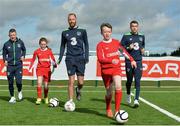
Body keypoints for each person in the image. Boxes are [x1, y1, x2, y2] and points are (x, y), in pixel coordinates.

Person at [96, 23, 136, 118]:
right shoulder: (100, 45)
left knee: (118, 86)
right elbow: (100, 59)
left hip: (116, 69)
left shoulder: (116, 42)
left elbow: (124, 52)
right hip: (106, 71)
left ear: (111, 32)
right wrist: (111, 60)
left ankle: (117, 111)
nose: (107, 34)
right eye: (105, 32)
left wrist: (132, 60)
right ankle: (108, 108)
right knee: (109, 92)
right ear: (101, 32)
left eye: (109, 32)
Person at [57, 13, 89, 104]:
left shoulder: (82, 31)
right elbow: (62, 46)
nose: (71, 21)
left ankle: (78, 89)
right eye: (70, 19)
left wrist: (86, 56)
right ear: (68, 21)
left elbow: (86, 44)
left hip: (80, 58)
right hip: (70, 58)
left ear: (76, 20)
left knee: (81, 82)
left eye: (73, 19)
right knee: (71, 80)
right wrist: (59, 58)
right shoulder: (64, 33)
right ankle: (70, 101)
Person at [121, 20, 145, 107]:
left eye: (136, 26)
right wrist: (128, 47)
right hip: (129, 61)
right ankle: (128, 94)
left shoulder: (142, 36)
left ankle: (136, 100)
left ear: (138, 27)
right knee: (129, 81)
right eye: (133, 26)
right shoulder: (126, 36)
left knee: (137, 81)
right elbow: (120, 48)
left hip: (138, 61)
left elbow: (142, 47)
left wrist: (143, 51)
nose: (134, 27)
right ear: (130, 27)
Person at [29, 37, 57, 105]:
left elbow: (53, 60)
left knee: (46, 86)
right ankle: (39, 98)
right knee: (39, 83)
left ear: (46, 44)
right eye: (42, 44)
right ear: (39, 44)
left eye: (44, 44)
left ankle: (46, 97)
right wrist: (30, 68)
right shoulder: (37, 51)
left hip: (47, 70)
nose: (43, 45)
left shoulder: (49, 51)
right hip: (39, 69)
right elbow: (33, 60)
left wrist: (55, 64)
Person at [2, 28, 26, 103]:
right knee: (10, 82)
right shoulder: (6, 44)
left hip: (18, 65)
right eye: (11, 35)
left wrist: (23, 56)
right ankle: (12, 97)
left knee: (19, 81)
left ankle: (19, 91)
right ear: (9, 35)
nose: (13, 36)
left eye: (14, 35)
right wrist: (5, 60)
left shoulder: (20, 42)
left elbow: (24, 50)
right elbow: (4, 54)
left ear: (16, 35)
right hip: (10, 66)